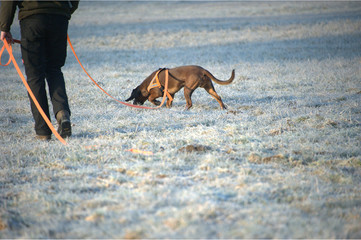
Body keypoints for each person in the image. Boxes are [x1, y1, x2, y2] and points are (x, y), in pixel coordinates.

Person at [0, 0, 79, 140]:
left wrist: (4, 27)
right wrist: (67, 8)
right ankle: (62, 113)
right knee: (54, 69)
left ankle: (43, 131)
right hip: (58, 16)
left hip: (32, 18)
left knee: (34, 75)